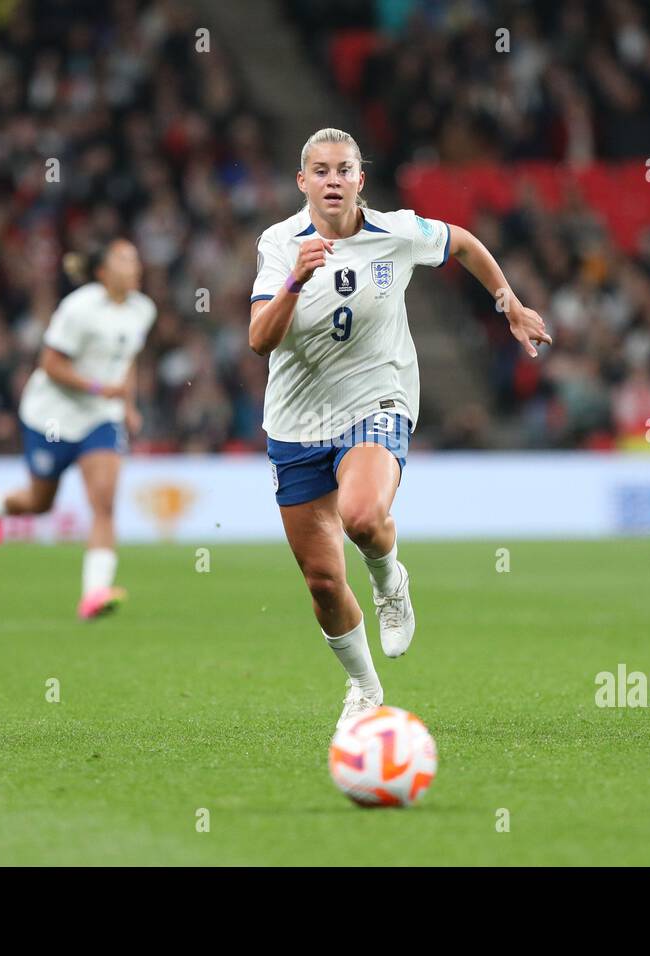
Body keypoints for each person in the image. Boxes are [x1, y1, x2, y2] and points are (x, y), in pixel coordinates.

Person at [248, 128, 551, 725]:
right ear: (303, 182)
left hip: (377, 402)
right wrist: (294, 281)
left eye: (344, 170)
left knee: (362, 516)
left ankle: (390, 581)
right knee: (323, 583)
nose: (333, 180)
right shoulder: (280, 243)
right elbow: (260, 340)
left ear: (361, 179)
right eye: (321, 171)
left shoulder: (398, 233)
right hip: (297, 422)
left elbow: (462, 243)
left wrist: (508, 302)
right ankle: (363, 688)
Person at [0, 238, 154, 620]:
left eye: (136, 259)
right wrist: (98, 387)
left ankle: (94, 593)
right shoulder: (78, 309)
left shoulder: (143, 309)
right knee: (40, 503)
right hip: (51, 417)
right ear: (103, 272)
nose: (135, 266)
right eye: (124, 259)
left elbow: (128, 359)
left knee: (104, 503)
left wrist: (126, 404)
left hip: (99, 419)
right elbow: (51, 364)